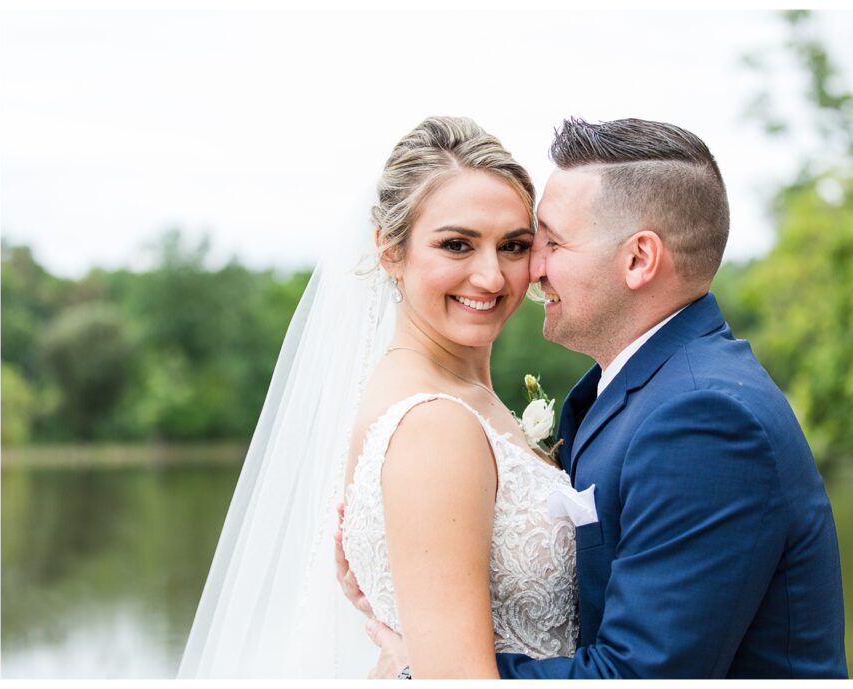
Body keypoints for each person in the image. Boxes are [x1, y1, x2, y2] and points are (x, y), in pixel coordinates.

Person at [350, 117, 849, 678]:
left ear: (638, 258)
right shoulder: (622, 397)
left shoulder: (705, 418)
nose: (526, 272)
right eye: (459, 244)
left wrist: (421, 671)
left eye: (544, 243)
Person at [177, 116, 577, 679]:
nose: (491, 277)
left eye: (513, 246)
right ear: (390, 251)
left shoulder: (446, 396)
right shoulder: (435, 424)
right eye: (457, 245)